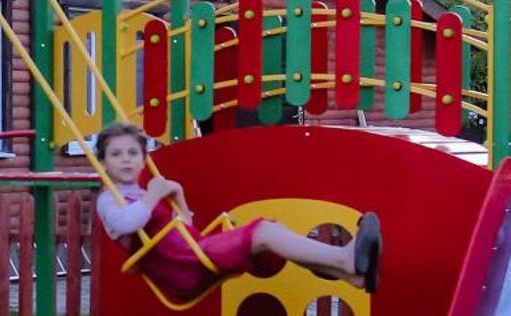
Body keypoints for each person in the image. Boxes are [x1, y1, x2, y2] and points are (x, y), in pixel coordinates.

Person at [93, 121, 381, 302]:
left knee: (272, 229)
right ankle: (344, 259)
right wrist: (153, 197)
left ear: (144, 159)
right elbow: (126, 224)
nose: (126, 160)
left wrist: (178, 197)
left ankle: (349, 274)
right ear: (103, 163)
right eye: (116, 154)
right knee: (264, 233)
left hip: (188, 253)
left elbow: (184, 230)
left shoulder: (142, 195)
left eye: (133, 153)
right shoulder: (109, 200)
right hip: (179, 267)